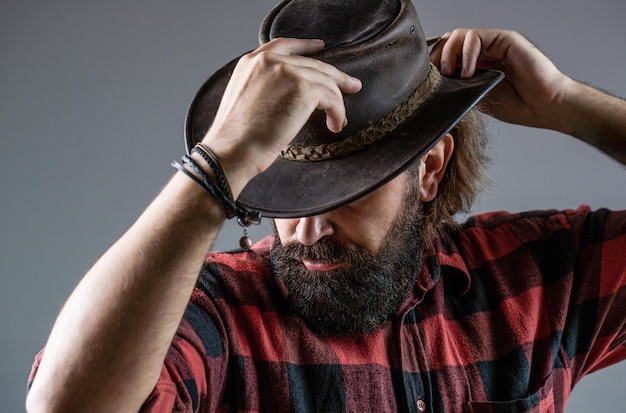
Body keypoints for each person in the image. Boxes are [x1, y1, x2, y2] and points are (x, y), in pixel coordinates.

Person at [26, 0, 626, 412]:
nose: (307, 228)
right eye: (288, 190)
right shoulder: (216, 318)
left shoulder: (532, 282)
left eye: (348, 188)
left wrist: (569, 104)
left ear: (431, 170)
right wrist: (216, 169)